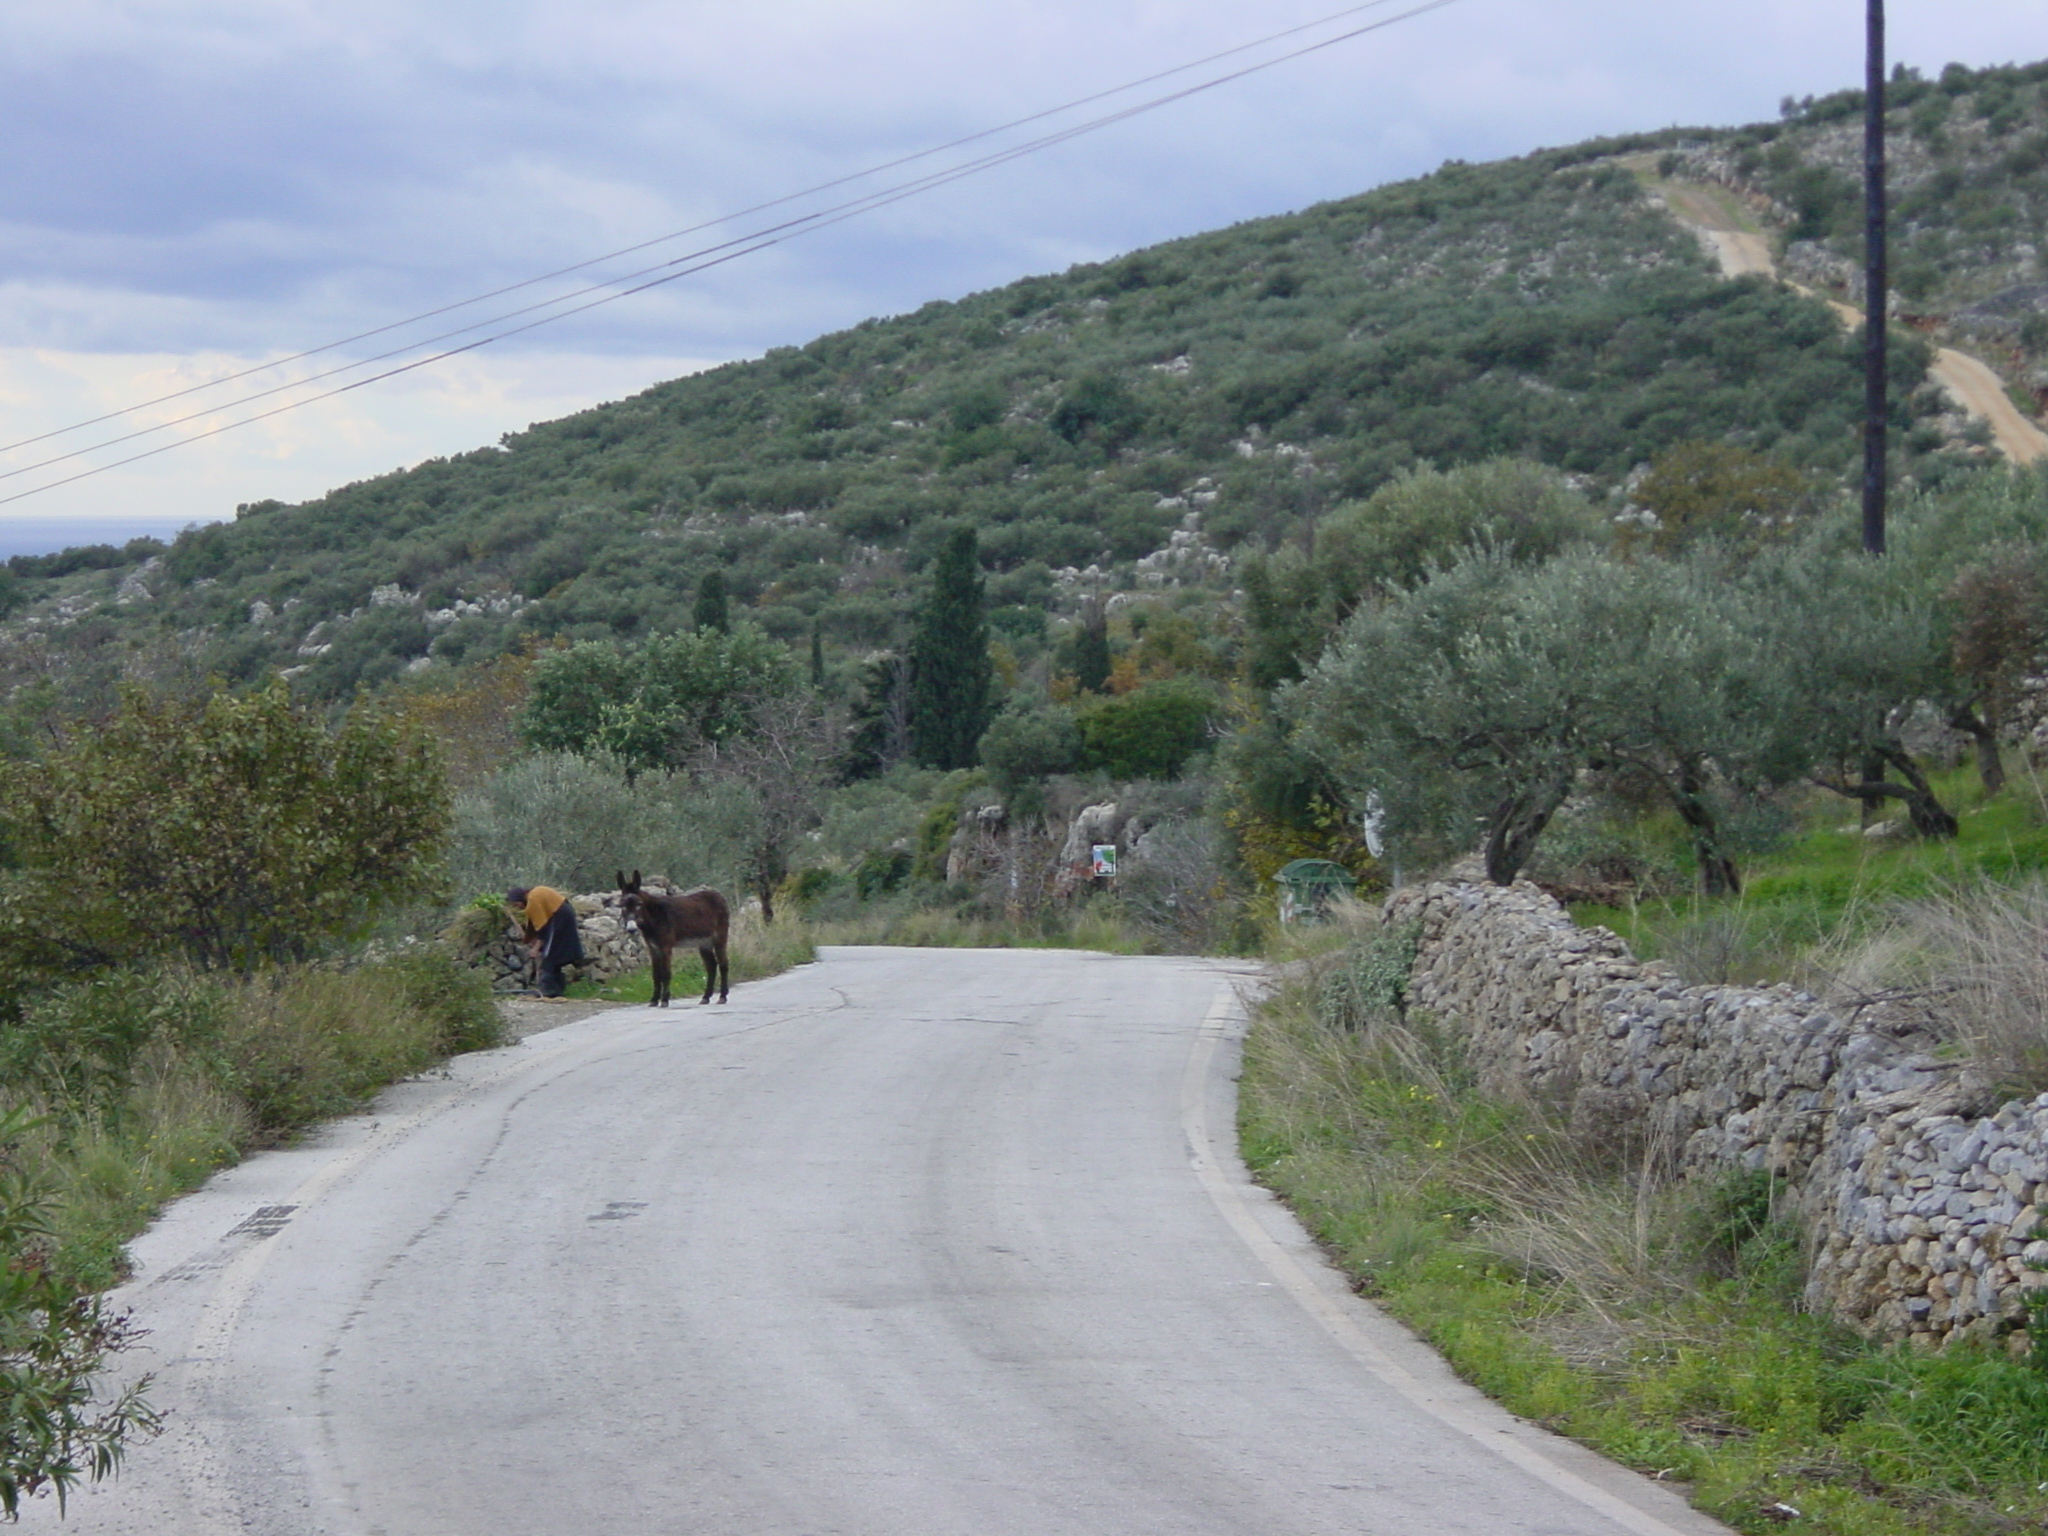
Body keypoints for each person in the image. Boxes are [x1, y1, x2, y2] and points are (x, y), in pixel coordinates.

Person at [505, 885, 586, 999]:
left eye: (516, 904)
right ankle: (557, 990)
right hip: (565, 913)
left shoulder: (533, 900)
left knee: (549, 956)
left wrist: (535, 948)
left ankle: (549, 991)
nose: (517, 907)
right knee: (554, 954)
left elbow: (543, 929)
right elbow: (537, 924)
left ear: (520, 898)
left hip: (559, 917)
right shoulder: (534, 893)